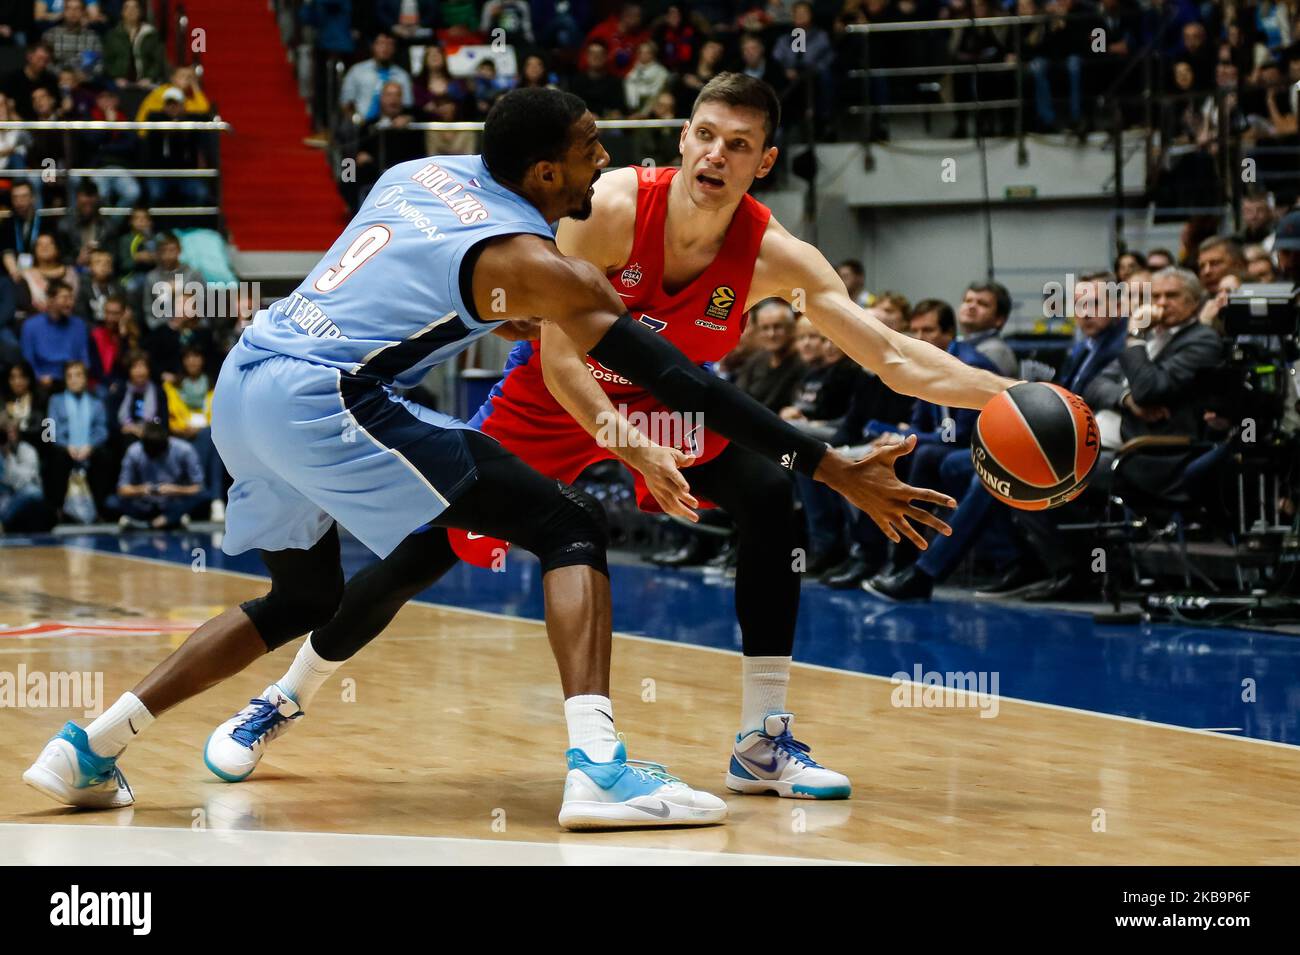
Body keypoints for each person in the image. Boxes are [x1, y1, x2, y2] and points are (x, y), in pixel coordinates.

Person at [24, 88, 946, 829]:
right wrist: (829, 465)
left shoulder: (421, 170)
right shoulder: (550, 265)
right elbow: (686, 383)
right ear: (545, 170)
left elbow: (428, 281)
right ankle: (597, 769)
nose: (606, 161)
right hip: (325, 395)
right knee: (567, 527)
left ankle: (89, 746)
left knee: (302, 596)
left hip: (247, 380)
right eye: (591, 149)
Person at [228, 74, 1015, 806]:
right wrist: (627, 440)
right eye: (706, 134)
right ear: (682, 139)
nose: (718, 153)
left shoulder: (777, 256)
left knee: (772, 492)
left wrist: (1019, 398)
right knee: (427, 547)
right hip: (555, 402)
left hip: (671, 408)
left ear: (765, 161)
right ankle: (284, 695)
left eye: (739, 144)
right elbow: (563, 355)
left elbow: (895, 356)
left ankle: (760, 741)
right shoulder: (607, 205)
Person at [109, 419, 205, 529]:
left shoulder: (185, 450)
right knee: (111, 502)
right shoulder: (134, 451)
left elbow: (199, 487)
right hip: (144, 502)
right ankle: (170, 520)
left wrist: (176, 490)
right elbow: (122, 489)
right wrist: (142, 489)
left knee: (203, 497)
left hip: (174, 501)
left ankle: (149, 523)